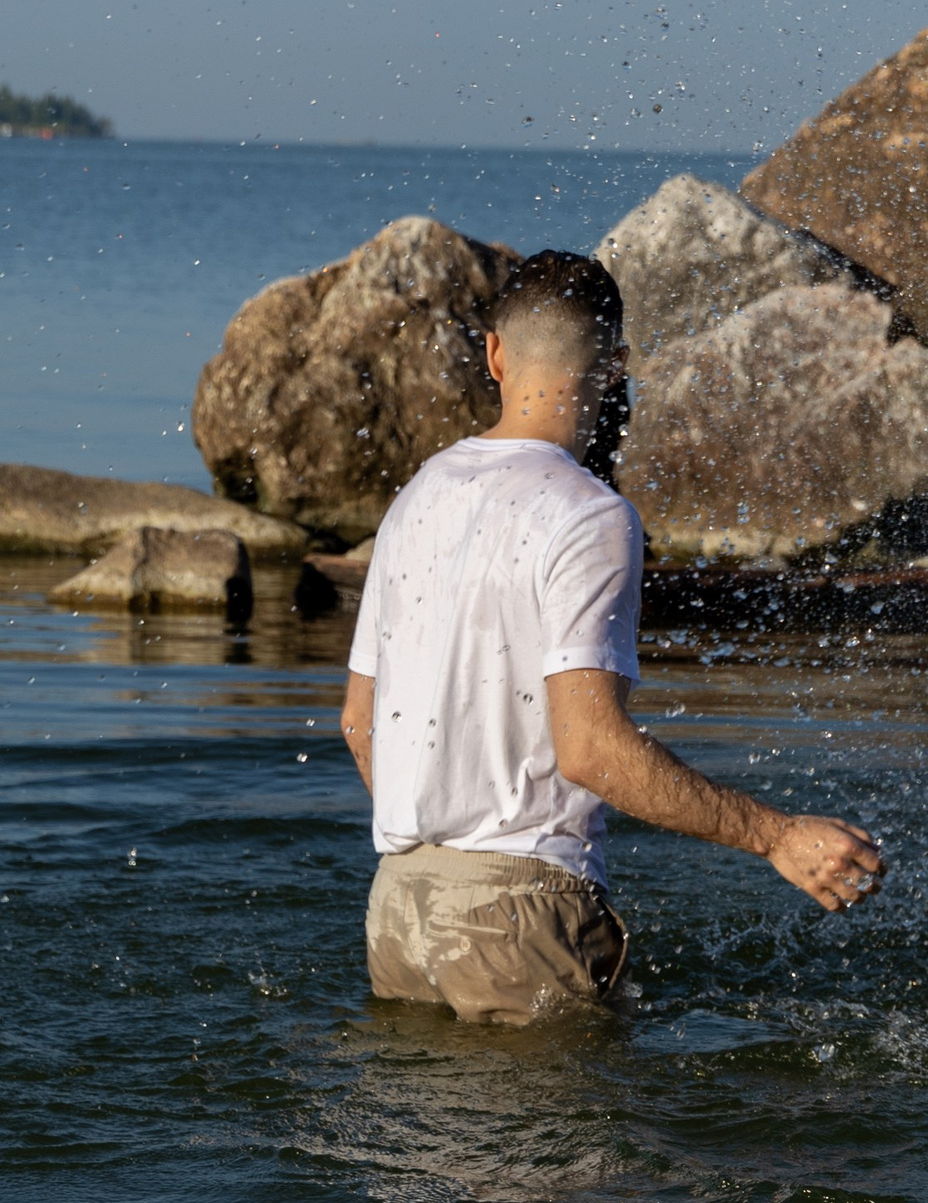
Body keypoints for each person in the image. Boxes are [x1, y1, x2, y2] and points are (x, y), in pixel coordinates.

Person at [341, 248, 883, 1023]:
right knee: (561, 1141)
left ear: (494, 353)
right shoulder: (590, 514)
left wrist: (443, 842)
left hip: (398, 910)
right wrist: (776, 835)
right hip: (520, 910)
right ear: (618, 365)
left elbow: (360, 725)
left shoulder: (418, 496)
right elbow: (589, 748)